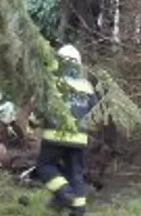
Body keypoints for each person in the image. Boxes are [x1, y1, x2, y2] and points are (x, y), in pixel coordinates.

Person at [34, 44, 99, 215]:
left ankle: (65, 195)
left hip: (55, 135)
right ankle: (79, 211)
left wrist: (34, 124)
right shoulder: (87, 85)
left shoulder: (52, 81)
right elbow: (95, 110)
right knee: (76, 174)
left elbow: (40, 108)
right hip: (80, 138)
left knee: (45, 167)